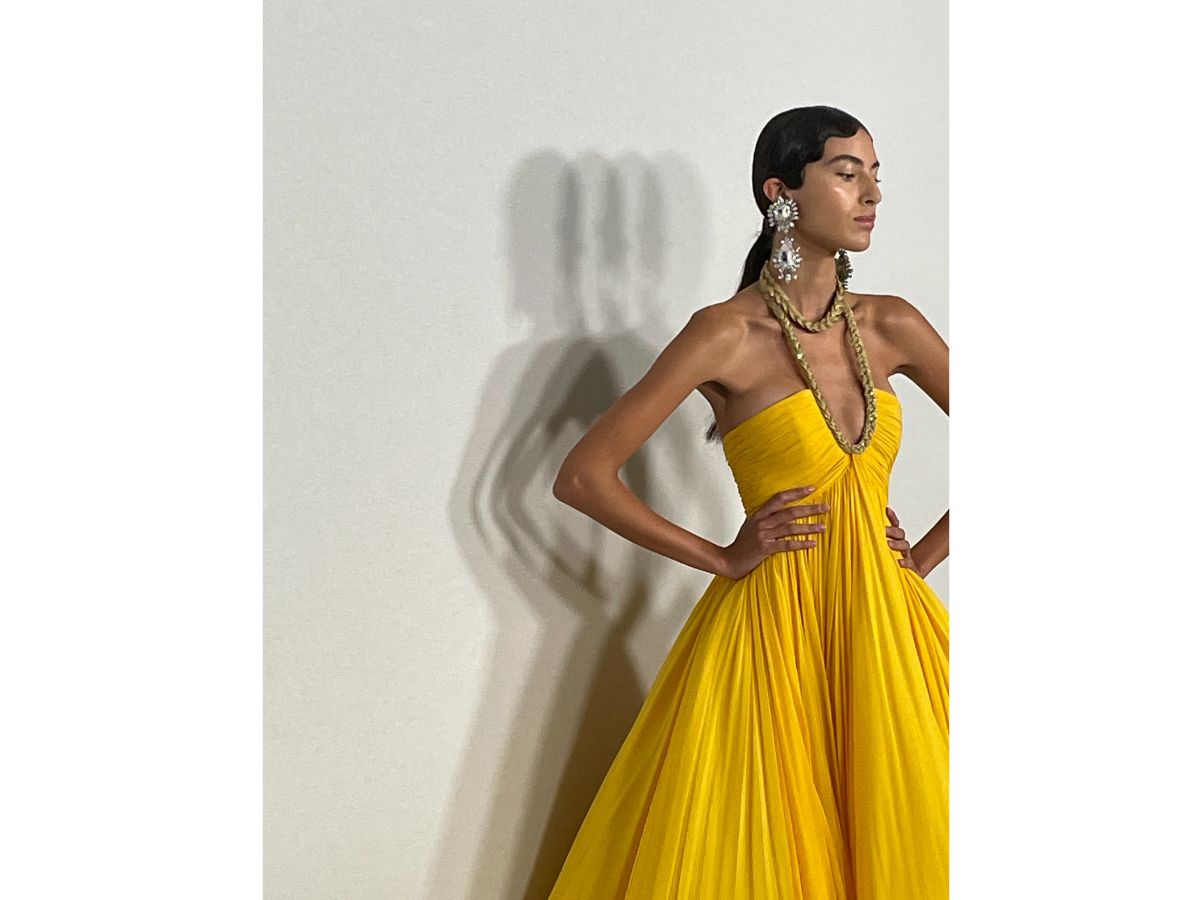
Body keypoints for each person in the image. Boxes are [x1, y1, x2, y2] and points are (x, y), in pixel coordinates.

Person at [548, 106, 949, 899]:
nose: (872, 194)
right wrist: (723, 557)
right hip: (773, 632)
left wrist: (922, 560)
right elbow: (584, 476)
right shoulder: (724, 335)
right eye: (847, 173)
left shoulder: (892, 324)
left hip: (884, 627)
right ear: (780, 193)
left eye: (875, 175)